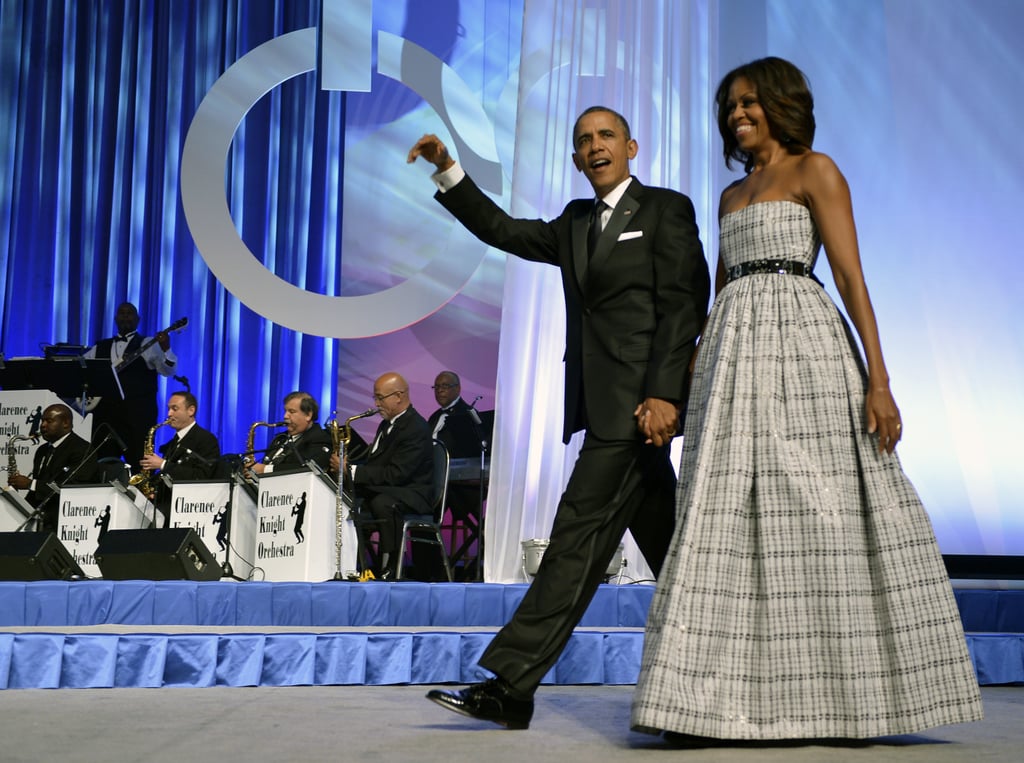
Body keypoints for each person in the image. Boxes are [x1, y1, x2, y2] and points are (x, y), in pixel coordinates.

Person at [631, 57, 983, 742]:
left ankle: (848, 699)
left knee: (822, 513)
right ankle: (701, 702)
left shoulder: (816, 171)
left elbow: (851, 278)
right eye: (730, 104)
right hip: (732, 361)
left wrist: (880, 382)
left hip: (805, 353)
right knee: (720, 515)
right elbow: (718, 297)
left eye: (750, 101)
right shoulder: (731, 198)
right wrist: (688, 383)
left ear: (781, 104)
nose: (737, 113)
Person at [408, 106, 710, 729]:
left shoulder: (664, 209)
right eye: (583, 141)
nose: (595, 147)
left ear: (631, 146)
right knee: (687, 555)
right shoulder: (574, 222)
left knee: (573, 540)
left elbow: (684, 304)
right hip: (602, 409)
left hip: (635, 414)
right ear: (575, 160)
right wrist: (449, 172)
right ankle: (735, 677)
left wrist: (664, 395)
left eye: (605, 136)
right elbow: (504, 231)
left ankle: (511, 685)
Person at [347, 372, 434, 581]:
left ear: (398, 396)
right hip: (392, 488)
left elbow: (397, 474)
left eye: (380, 398)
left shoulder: (415, 427)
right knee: (347, 497)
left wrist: (353, 472)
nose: (376, 404)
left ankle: (390, 567)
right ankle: (354, 563)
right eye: (375, 398)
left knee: (382, 502)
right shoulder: (386, 424)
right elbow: (377, 465)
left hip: (412, 493)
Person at [85, 302, 177, 468]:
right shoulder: (100, 346)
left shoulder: (148, 343)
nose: (125, 316)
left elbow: (167, 371)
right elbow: (84, 370)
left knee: (139, 466)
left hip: (137, 420)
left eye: (130, 313)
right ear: (115, 318)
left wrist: (166, 349)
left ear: (138, 319)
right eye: (122, 313)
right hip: (104, 420)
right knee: (100, 466)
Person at [426, 370, 486, 578]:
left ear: (458, 389)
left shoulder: (467, 415)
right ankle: (429, 570)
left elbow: (475, 450)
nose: (440, 390)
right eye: (437, 387)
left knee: (427, 509)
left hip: (461, 486)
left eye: (445, 386)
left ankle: (441, 572)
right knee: (421, 506)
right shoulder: (434, 417)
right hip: (435, 483)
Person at [7, 403, 98, 533]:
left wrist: (30, 484)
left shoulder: (83, 449)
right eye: (42, 421)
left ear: (65, 423)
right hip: (39, 519)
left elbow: (71, 487)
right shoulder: (42, 450)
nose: (43, 425)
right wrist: (17, 504)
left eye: (49, 421)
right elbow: (39, 486)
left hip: (66, 521)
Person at [138, 391, 221, 528]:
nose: (169, 414)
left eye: (174, 409)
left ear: (191, 410)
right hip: (166, 510)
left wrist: (163, 464)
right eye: (169, 409)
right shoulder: (172, 443)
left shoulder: (206, 439)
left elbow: (202, 476)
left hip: (189, 513)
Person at [251, 392, 332, 475]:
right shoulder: (280, 438)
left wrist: (265, 469)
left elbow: (309, 468)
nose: (285, 416)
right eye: (285, 411)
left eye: (292, 411)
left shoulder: (322, 438)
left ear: (308, 415)